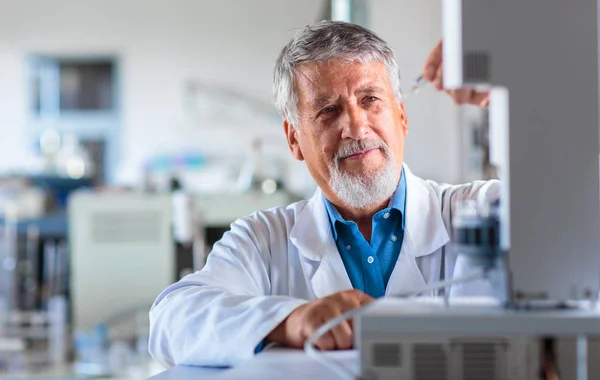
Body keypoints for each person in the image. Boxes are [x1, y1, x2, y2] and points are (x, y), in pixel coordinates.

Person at [148, 21, 499, 368]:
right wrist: (289, 321)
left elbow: (553, 210)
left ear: (402, 116)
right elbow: (171, 322)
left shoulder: (482, 209)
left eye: (370, 99)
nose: (356, 127)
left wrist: (512, 84)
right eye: (328, 111)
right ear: (293, 140)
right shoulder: (263, 240)